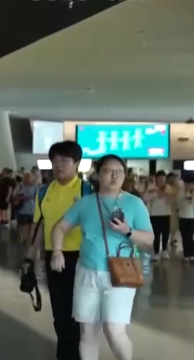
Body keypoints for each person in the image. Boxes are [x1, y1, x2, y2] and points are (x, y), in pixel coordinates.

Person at [50, 154, 153, 360]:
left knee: (114, 329)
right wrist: (57, 251)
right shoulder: (86, 203)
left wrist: (128, 231)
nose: (114, 176)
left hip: (121, 273)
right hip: (87, 271)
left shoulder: (134, 203)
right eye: (108, 171)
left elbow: (149, 239)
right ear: (98, 174)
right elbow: (60, 227)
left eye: (119, 172)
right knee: (87, 331)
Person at [30, 141, 90, 360]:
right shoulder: (43, 192)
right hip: (53, 256)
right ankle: (65, 354)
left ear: (77, 163)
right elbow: (39, 226)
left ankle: (77, 354)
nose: (58, 165)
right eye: (54, 161)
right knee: (60, 311)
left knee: (80, 313)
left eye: (65, 160)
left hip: (82, 258)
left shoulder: (87, 191)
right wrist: (30, 258)